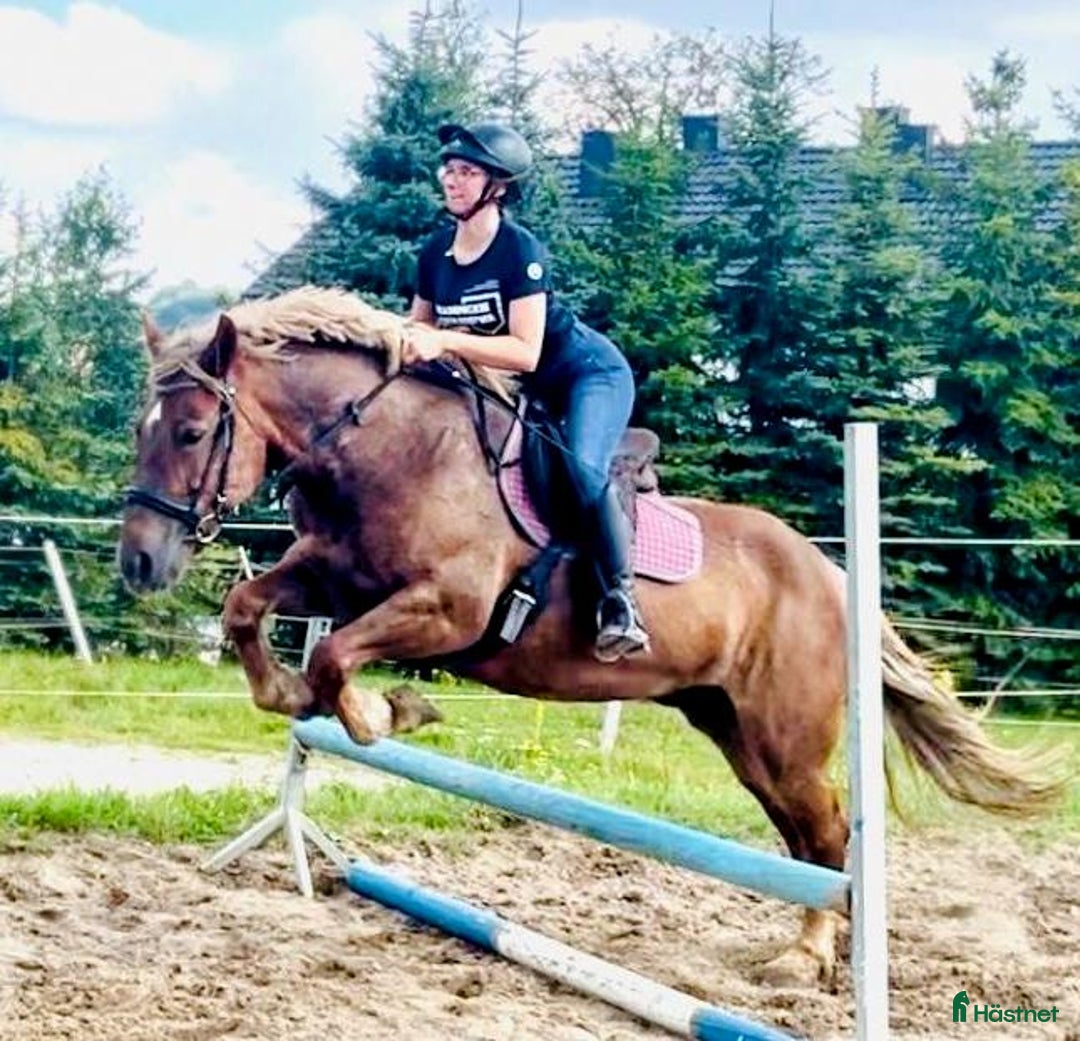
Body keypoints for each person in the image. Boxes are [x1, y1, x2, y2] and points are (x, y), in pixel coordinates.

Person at [402, 121, 650, 662]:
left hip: (584, 376)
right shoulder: (435, 252)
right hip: (517, 389)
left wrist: (442, 339)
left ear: (499, 186)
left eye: (467, 172)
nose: (453, 180)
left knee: (583, 472)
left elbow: (525, 352)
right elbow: (415, 333)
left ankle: (621, 602)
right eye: (450, 170)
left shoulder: (518, 250)